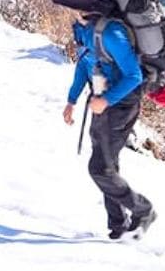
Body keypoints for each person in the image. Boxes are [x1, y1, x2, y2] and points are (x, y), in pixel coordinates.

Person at [62, 12, 157, 239]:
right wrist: (71, 100)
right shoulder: (84, 31)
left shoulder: (111, 34)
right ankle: (118, 223)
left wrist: (106, 100)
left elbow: (133, 76)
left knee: (100, 168)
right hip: (102, 106)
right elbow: (84, 65)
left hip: (121, 105)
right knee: (107, 165)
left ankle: (143, 210)